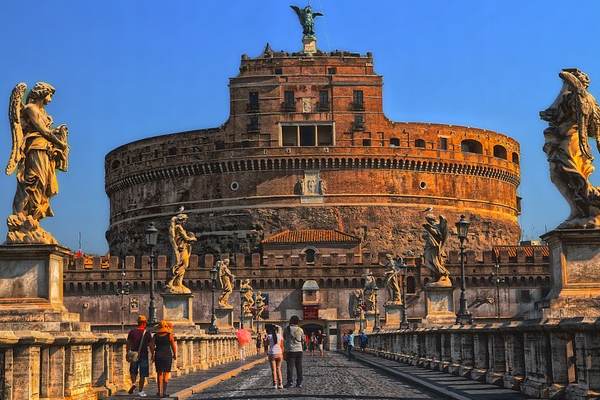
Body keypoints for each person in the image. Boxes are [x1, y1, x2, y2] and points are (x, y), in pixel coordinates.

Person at [126, 315, 153, 397]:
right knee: (142, 374)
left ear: (138, 323)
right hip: (143, 355)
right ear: (144, 323)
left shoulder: (132, 332)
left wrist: (127, 353)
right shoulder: (147, 333)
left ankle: (134, 383)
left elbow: (128, 343)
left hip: (134, 354)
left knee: (133, 371)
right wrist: (153, 354)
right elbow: (151, 345)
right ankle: (140, 391)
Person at [151, 320, 177, 398]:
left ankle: (159, 392)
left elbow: (152, 346)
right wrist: (175, 354)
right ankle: (164, 392)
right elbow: (173, 346)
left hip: (158, 355)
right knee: (166, 374)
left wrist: (152, 355)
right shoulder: (169, 335)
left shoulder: (155, 336)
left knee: (159, 374)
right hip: (167, 355)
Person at [283, 315, 305, 388]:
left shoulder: (287, 329)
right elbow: (303, 340)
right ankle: (299, 383)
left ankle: (290, 382)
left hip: (290, 350)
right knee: (299, 367)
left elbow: (284, 338)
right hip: (299, 350)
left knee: (290, 367)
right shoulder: (300, 329)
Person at [267, 325, 284, 389]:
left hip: (272, 353)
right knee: (278, 369)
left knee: (273, 370)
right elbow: (282, 346)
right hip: (279, 353)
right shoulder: (280, 336)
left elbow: (267, 344)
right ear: (277, 330)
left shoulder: (269, 336)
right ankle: (280, 384)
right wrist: (282, 353)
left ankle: (275, 384)